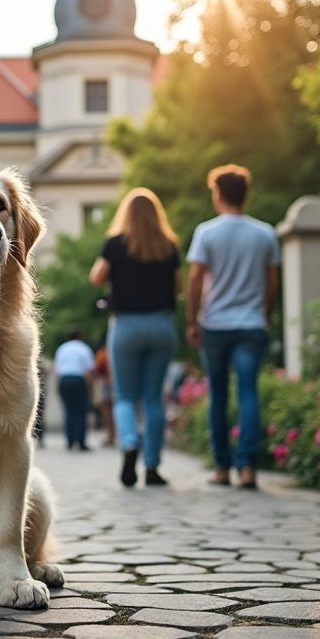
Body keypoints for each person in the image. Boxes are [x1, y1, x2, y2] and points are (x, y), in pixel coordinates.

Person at [186, 164, 280, 490]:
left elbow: (196, 278)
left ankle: (223, 468)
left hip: (215, 324)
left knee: (218, 395)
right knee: (248, 392)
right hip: (252, 323)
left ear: (219, 194)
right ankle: (249, 467)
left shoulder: (207, 232)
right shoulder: (265, 233)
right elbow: (273, 280)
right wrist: (264, 312)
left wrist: (192, 319)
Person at [89, 188, 182, 488]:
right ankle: (152, 466)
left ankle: (129, 442)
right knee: (154, 398)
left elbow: (96, 278)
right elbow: (177, 287)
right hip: (161, 325)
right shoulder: (169, 246)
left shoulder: (116, 245)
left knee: (125, 397)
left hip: (126, 326)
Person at [53, 329, 95, 451]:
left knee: (69, 411)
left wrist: (58, 387)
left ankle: (70, 442)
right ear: (80, 336)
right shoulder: (84, 348)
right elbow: (88, 370)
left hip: (65, 380)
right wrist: (90, 388)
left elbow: (58, 371)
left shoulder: (62, 348)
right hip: (78, 379)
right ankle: (81, 442)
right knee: (81, 412)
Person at [91, 345, 115, 446]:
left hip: (106, 383)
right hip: (118, 384)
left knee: (107, 412)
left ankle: (110, 435)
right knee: (115, 410)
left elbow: (96, 369)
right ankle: (114, 435)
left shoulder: (102, 354)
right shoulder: (118, 350)